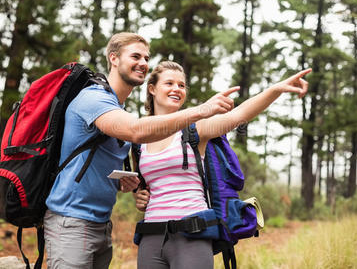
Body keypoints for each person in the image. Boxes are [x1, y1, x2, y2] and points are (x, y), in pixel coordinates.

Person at [43, 32, 239, 269]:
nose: (143, 63)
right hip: (70, 221)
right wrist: (202, 110)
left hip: (101, 224)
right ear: (113, 59)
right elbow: (136, 130)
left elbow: (96, 164)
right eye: (135, 56)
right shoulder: (94, 99)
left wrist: (129, 186)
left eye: (146, 58)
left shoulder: (118, 108)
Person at [133, 61, 311, 269]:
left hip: (193, 234)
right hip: (151, 237)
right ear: (152, 88)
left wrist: (275, 89)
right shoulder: (139, 138)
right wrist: (139, 195)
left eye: (181, 85)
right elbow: (143, 185)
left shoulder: (195, 130)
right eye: (169, 83)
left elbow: (238, 115)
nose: (177, 89)